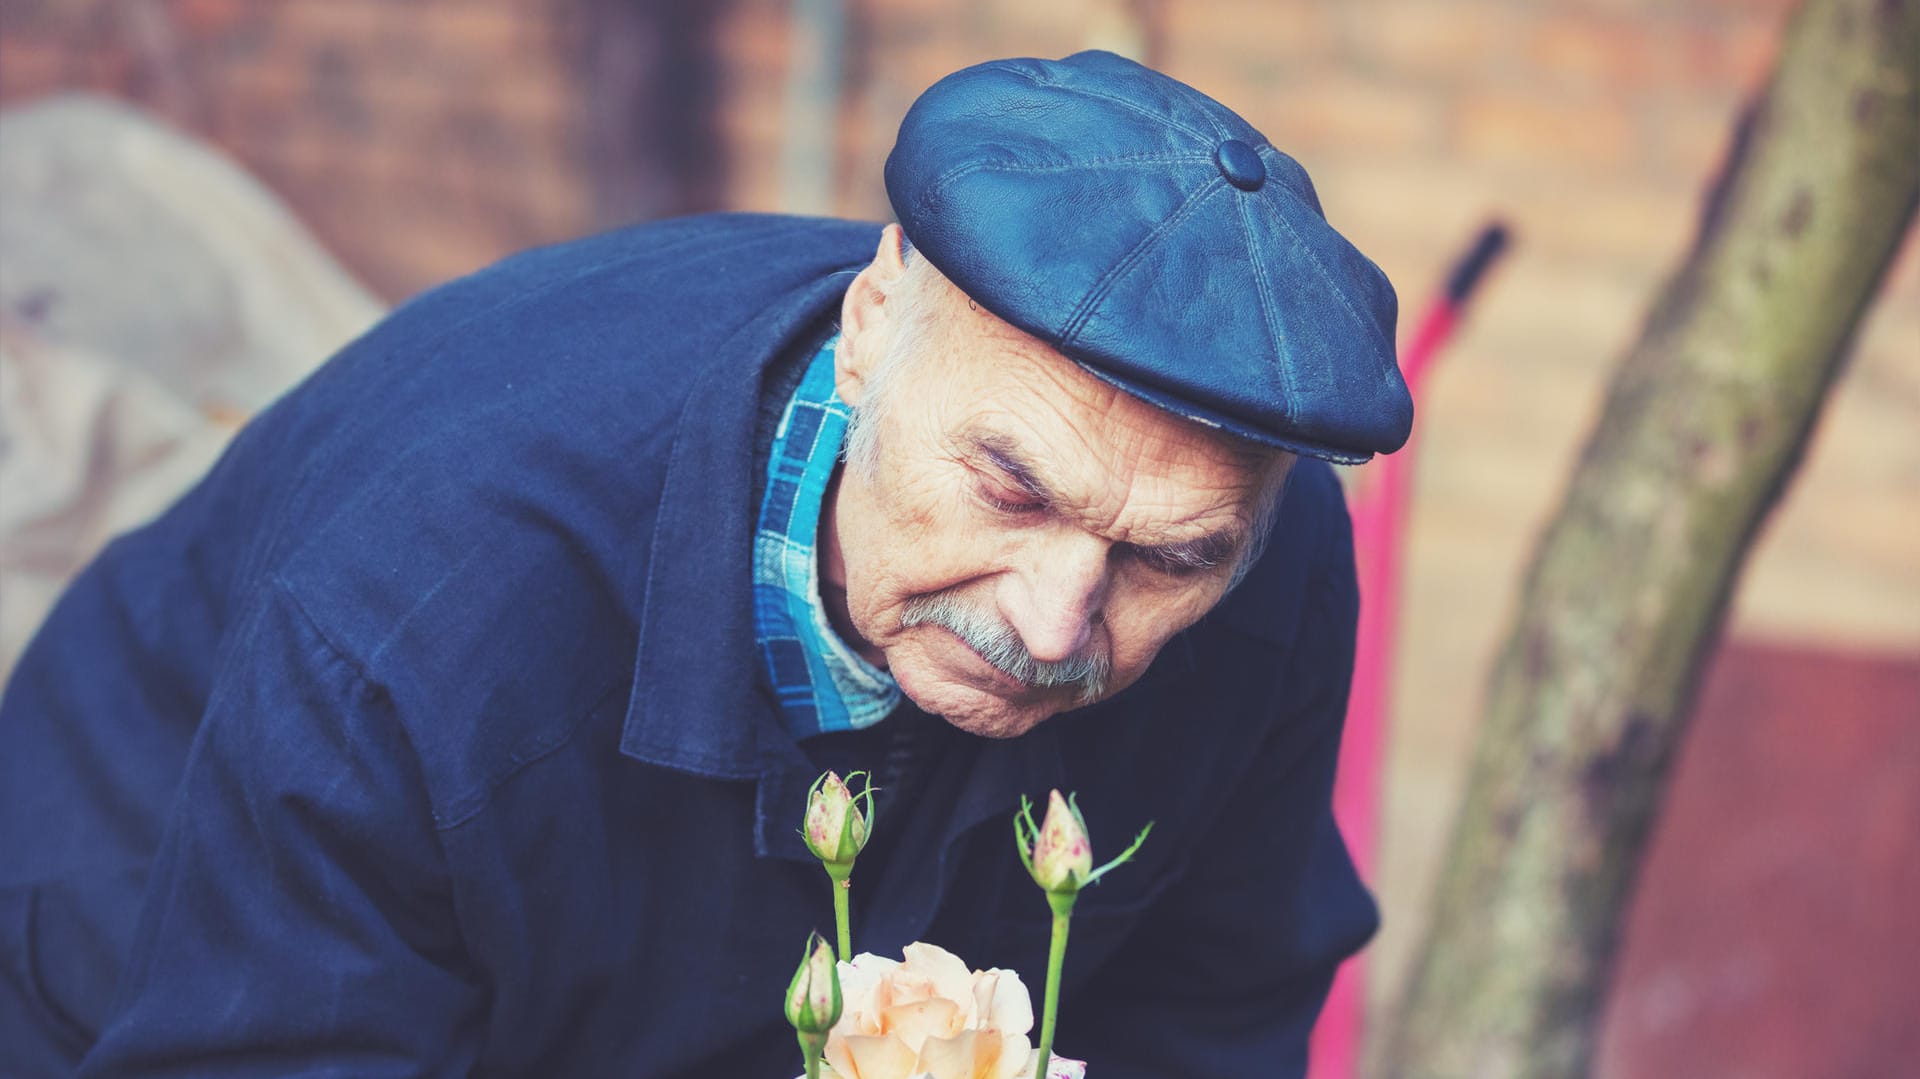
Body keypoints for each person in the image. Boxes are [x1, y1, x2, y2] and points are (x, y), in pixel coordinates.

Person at [0, 51, 1410, 1077]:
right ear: (872, 325)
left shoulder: (1256, 557)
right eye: (1010, 486)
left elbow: (1214, 1013)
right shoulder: (433, 599)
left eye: (1163, 562)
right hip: (146, 949)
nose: (1056, 624)